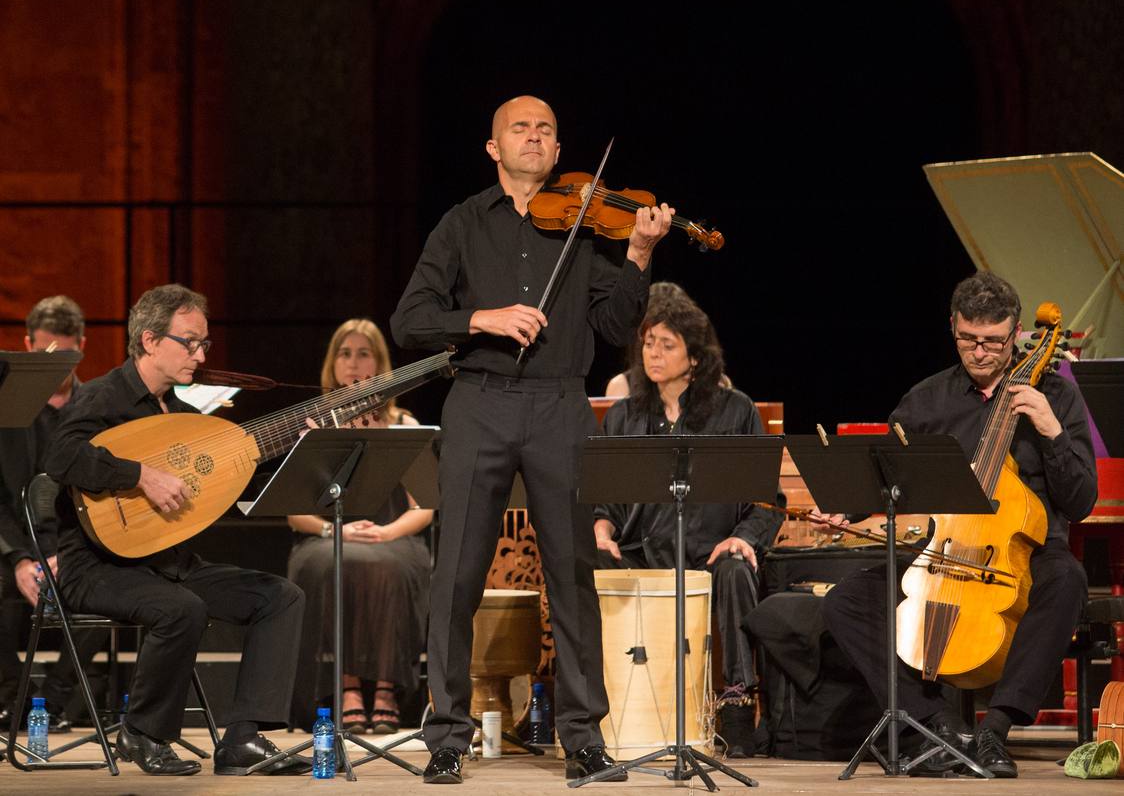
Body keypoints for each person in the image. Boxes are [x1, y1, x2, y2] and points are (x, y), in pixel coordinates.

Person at [391, 94, 673, 784]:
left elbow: (614, 325)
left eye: (546, 129)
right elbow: (410, 321)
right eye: (521, 127)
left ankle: (581, 738)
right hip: (480, 401)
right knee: (457, 571)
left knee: (572, 574)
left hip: (559, 405)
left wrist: (638, 252)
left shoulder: (579, 228)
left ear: (555, 149)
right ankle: (449, 737)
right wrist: (481, 318)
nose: (536, 137)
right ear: (494, 148)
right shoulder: (462, 224)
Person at [819, 271, 1097, 778]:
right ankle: (937, 726)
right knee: (846, 600)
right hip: (940, 550)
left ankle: (996, 733)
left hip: (1027, 558)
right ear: (953, 327)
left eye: (994, 341)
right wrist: (853, 507)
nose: (981, 351)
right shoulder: (927, 402)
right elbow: (888, 478)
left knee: (1069, 580)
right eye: (969, 339)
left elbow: (1080, 503)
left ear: (1016, 334)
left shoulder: (1055, 397)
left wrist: (1052, 430)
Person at [43, 284, 308, 776]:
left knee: (280, 597)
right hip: (94, 568)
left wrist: (300, 447)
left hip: (169, 565)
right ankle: (142, 733)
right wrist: (139, 475)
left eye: (204, 343)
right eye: (190, 341)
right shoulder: (104, 395)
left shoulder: (184, 416)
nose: (202, 353)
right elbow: (59, 456)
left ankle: (243, 741)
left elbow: (230, 477)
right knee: (182, 608)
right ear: (149, 340)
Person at [593, 293, 781, 757]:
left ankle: (737, 710)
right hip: (644, 551)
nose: (652, 354)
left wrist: (742, 537)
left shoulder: (735, 411)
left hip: (710, 552)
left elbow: (766, 500)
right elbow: (602, 497)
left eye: (666, 345)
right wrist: (601, 529)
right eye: (648, 343)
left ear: (695, 358)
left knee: (737, 569)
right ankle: (606, 711)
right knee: (591, 565)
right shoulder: (625, 415)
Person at [286, 318, 433, 734]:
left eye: (363, 353)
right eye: (344, 353)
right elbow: (296, 514)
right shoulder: (314, 425)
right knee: (329, 563)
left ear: (380, 364)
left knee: (393, 564)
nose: (353, 363)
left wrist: (387, 533)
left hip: (391, 535)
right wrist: (337, 532)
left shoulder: (403, 424)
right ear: (332, 363)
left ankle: (385, 690)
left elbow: (424, 509)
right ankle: (347, 687)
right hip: (328, 536)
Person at [0, 296, 103, 731]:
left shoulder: (99, 408)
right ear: (26, 344)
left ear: (81, 346)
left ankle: (56, 699)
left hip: (73, 547)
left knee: (123, 579)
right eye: (43, 352)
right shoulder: (5, 410)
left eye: (64, 354)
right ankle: (11, 701)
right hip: (16, 546)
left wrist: (68, 553)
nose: (54, 364)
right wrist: (21, 560)